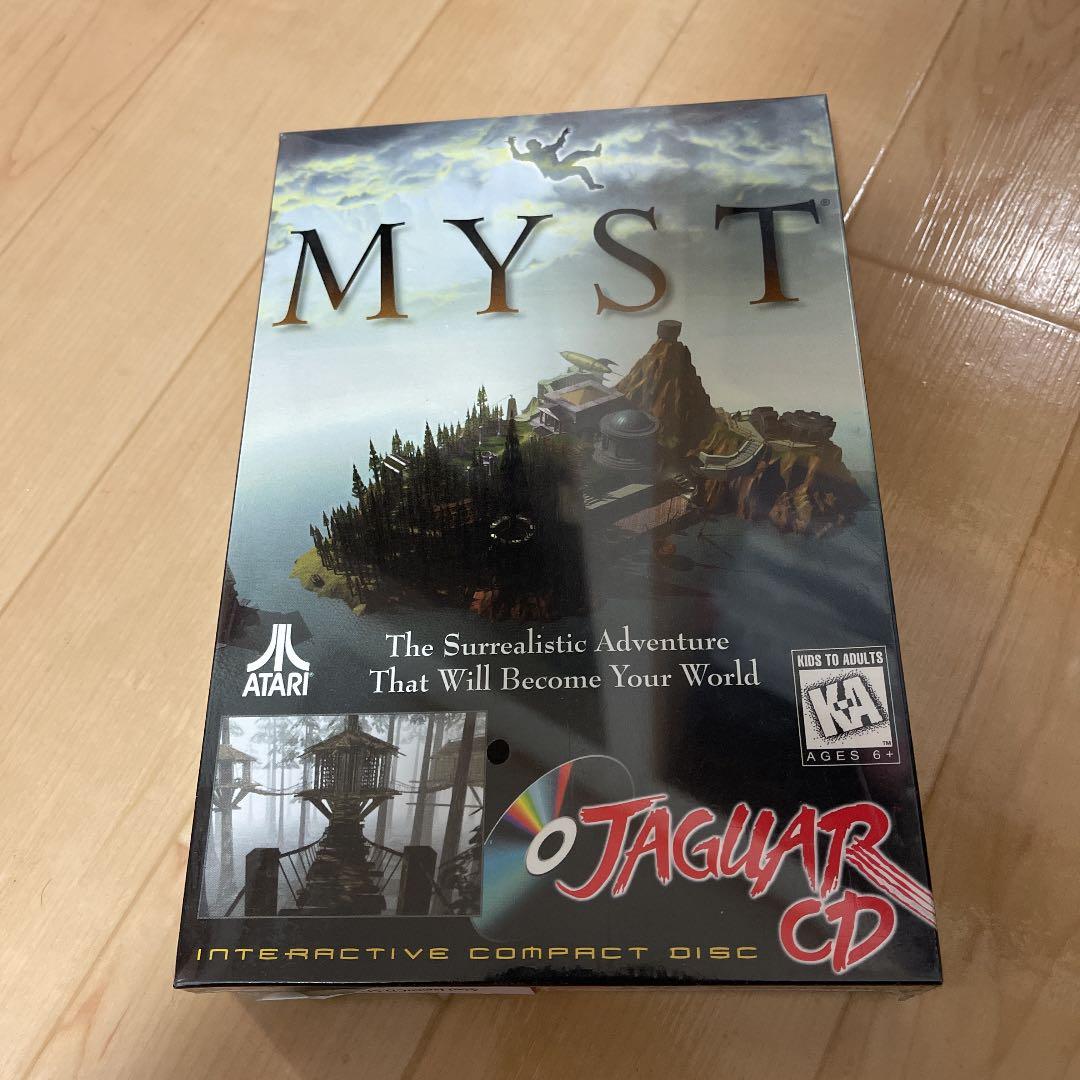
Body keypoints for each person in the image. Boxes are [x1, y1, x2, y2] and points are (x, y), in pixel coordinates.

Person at [507, 127, 604, 190]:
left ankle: (595, 155)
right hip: (555, 174)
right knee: (581, 169)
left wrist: (563, 135)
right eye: (536, 142)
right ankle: (591, 185)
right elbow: (517, 156)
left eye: (537, 142)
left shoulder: (548, 149)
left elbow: (559, 144)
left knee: (577, 156)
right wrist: (512, 145)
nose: (538, 142)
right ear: (532, 146)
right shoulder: (532, 155)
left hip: (561, 166)